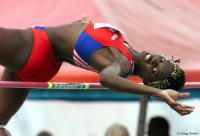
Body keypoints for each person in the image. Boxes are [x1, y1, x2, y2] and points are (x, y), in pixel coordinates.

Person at [0, 16, 194, 130]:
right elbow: (93, 45)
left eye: (154, 70)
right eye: (162, 60)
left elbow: (107, 78)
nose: (154, 60)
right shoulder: (124, 52)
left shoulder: (123, 62)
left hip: (34, 46)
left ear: (148, 80)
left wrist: (158, 93)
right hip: (44, 66)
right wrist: (84, 28)